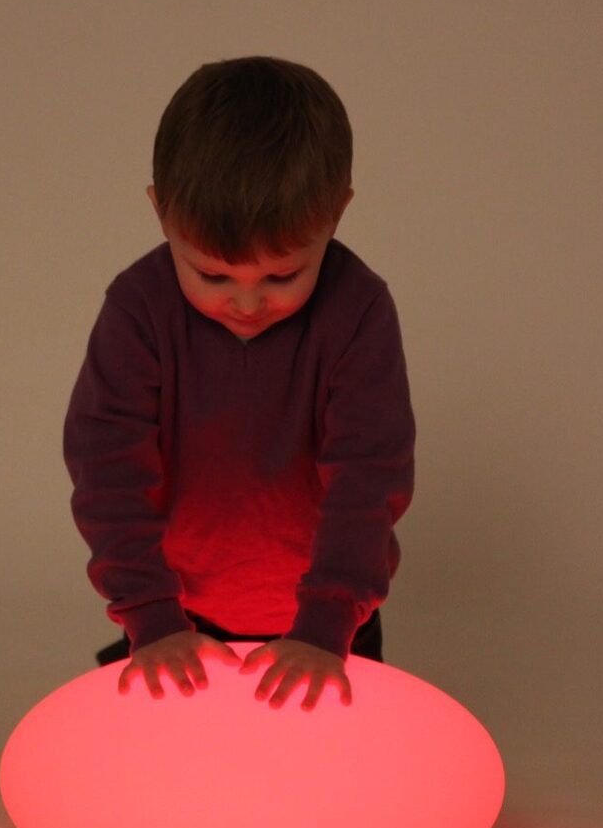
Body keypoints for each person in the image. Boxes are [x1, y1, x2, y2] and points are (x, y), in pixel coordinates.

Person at [63, 56, 416, 713]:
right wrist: (152, 618)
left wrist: (326, 624)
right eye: (213, 276)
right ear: (160, 212)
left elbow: (367, 480)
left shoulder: (358, 312)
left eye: (281, 277)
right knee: (170, 769)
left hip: (330, 629)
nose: (247, 303)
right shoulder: (138, 311)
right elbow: (108, 474)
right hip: (178, 621)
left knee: (326, 770)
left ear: (336, 214)